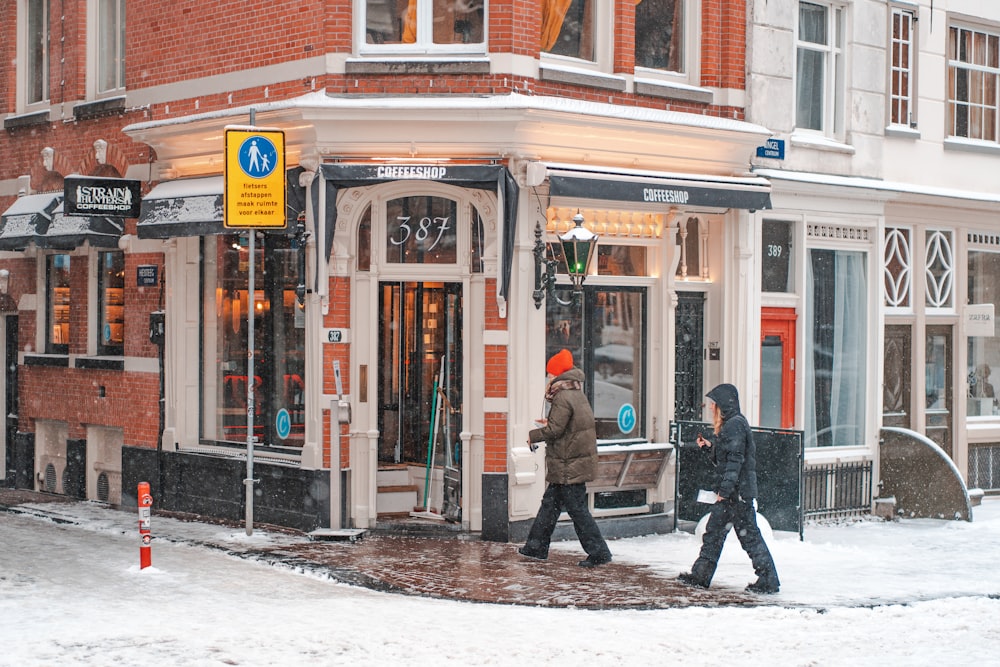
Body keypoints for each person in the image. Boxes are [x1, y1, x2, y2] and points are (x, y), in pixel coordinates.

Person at [678, 383, 780, 594]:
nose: (710, 408)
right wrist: (710, 448)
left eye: (713, 404)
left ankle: (768, 580)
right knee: (715, 534)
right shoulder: (732, 425)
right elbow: (728, 457)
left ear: (722, 405)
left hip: (737, 496)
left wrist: (724, 492)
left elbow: (735, 461)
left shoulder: (734, 425)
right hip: (735, 494)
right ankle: (700, 575)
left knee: (748, 538)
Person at [518, 349, 613, 568]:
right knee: (550, 505)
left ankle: (599, 552)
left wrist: (534, 435)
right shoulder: (576, 393)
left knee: (577, 510)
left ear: (558, 375)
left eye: (550, 374)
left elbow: (556, 430)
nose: (549, 378)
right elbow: (568, 427)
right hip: (571, 461)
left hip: (569, 463)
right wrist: (549, 424)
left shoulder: (562, 396)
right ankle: (535, 546)